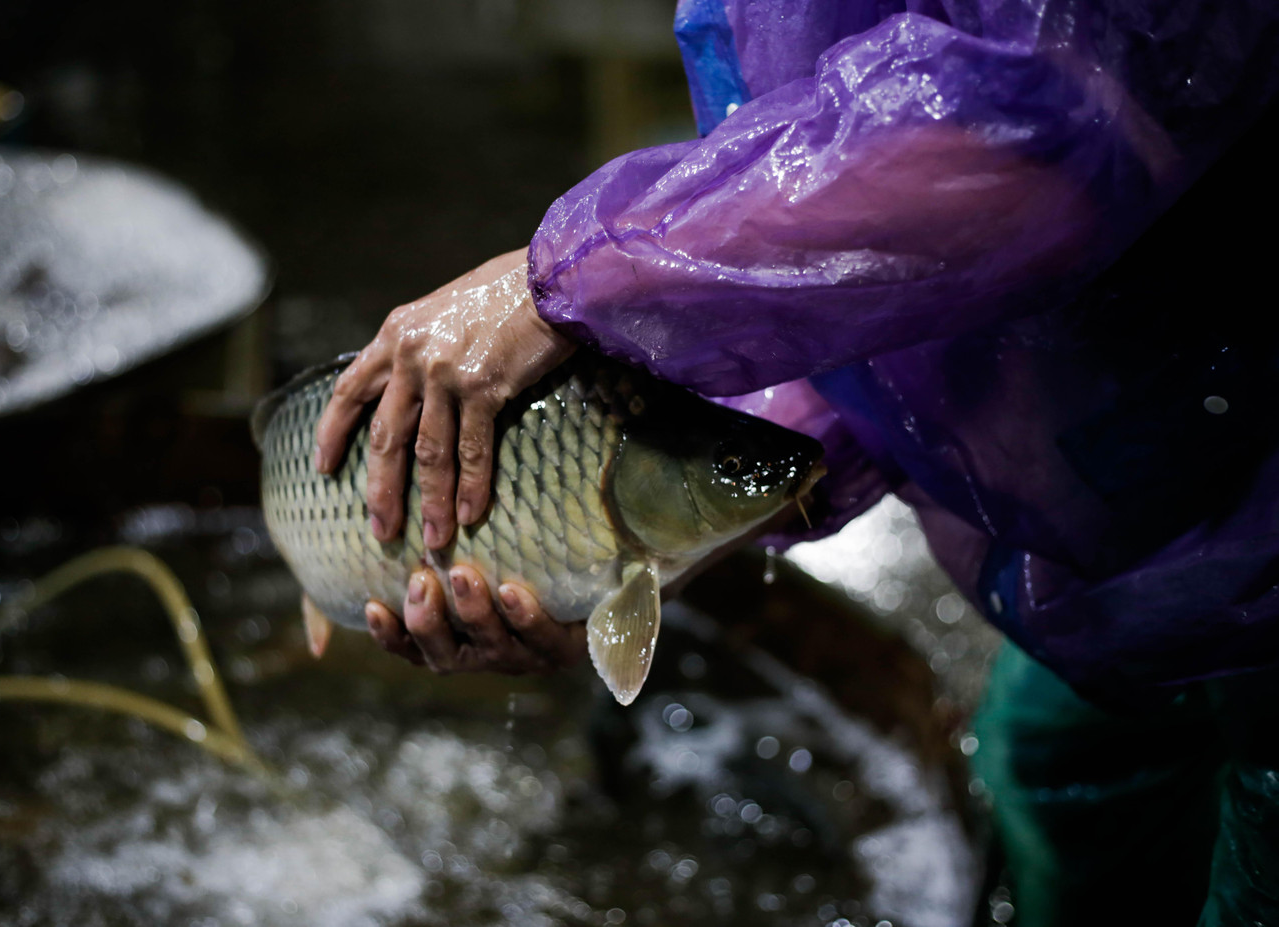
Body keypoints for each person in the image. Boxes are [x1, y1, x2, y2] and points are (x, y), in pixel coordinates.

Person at [312, 0, 1279, 922]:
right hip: (1134, 498)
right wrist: (614, 560)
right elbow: (855, 269)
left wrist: (573, 278)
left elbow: (1034, 119)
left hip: (1244, 485)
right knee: (1051, 774)